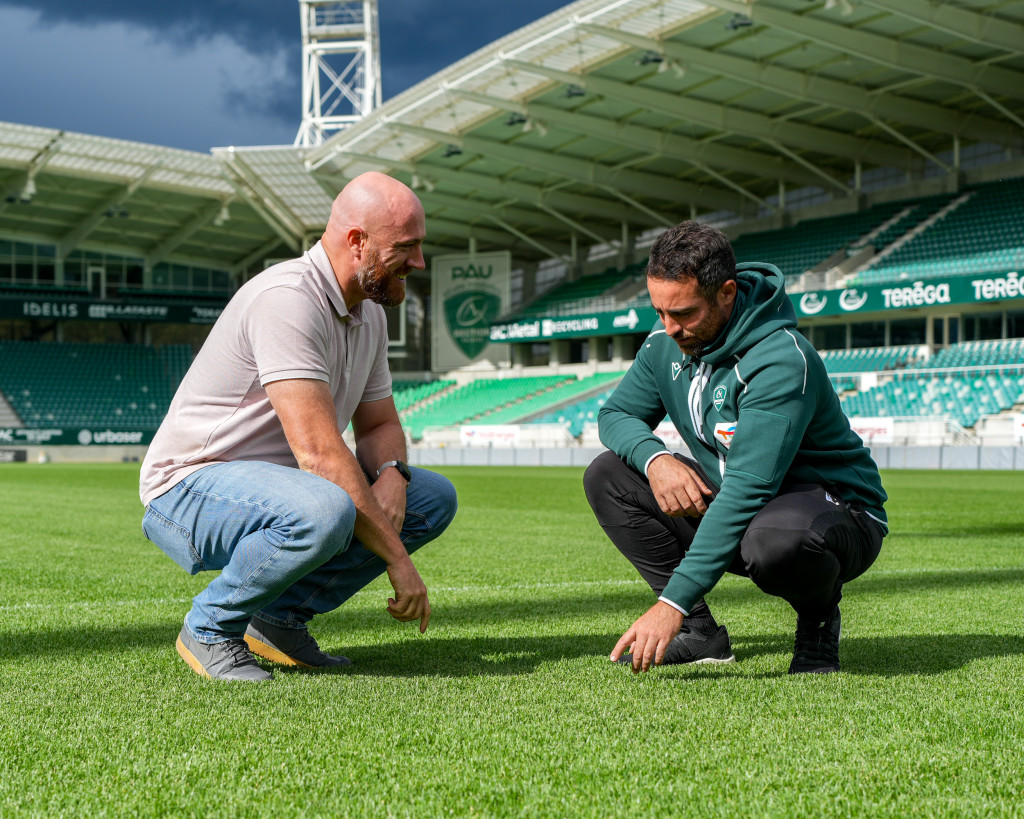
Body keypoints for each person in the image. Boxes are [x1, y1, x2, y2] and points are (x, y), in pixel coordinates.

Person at [139, 172, 457, 682]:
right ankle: (211, 627)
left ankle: (278, 620)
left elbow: (379, 423)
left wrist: (394, 472)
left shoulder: (369, 313)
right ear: (357, 241)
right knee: (324, 507)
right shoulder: (287, 298)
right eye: (406, 247)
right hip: (188, 488)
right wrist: (398, 560)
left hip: (285, 488)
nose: (419, 262)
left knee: (431, 497)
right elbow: (319, 454)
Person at [584, 220, 887, 675]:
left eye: (683, 313)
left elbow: (748, 488)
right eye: (659, 311)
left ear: (726, 293)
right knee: (608, 476)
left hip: (837, 514)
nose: (668, 328)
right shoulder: (666, 341)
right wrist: (656, 459)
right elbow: (616, 414)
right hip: (746, 505)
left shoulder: (780, 359)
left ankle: (818, 622)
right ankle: (700, 633)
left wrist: (670, 603)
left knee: (777, 539)